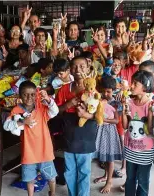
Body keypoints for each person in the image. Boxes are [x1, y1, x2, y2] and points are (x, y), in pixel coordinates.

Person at [4, 81, 59, 196]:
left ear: (36, 94)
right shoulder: (16, 110)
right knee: (30, 179)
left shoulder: (42, 108)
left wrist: (48, 99)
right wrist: (23, 122)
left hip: (45, 151)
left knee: (51, 177)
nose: (29, 97)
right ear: (20, 96)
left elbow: (55, 111)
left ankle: (52, 193)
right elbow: (6, 126)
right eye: (25, 94)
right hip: (28, 153)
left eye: (32, 94)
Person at [55, 56, 98, 196]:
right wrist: (68, 104)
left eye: (82, 66)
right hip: (69, 131)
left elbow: (99, 114)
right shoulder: (64, 89)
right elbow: (56, 111)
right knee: (69, 170)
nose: (78, 70)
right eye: (74, 67)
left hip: (86, 132)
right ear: (70, 70)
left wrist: (86, 115)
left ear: (88, 67)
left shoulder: (93, 88)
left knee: (84, 170)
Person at [122, 70, 154, 196]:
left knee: (143, 181)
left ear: (145, 86)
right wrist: (124, 110)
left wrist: (151, 114)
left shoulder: (150, 105)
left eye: (135, 84)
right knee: (130, 179)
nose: (131, 86)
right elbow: (125, 126)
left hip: (145, 151)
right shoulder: (129, 102)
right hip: (130, 148)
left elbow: (151, 131)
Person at [93, 75, 123, 194]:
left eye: (109, 91)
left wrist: (102, 120)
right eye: (103, 91)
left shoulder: (116, 103)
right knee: (104, 156)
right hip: (100, 131)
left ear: (113, 90)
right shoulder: (98, 101)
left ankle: (109, 181)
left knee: (110, 158)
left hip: (110, 132)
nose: (106, 94)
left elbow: (116, 121)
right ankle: (106, 176)